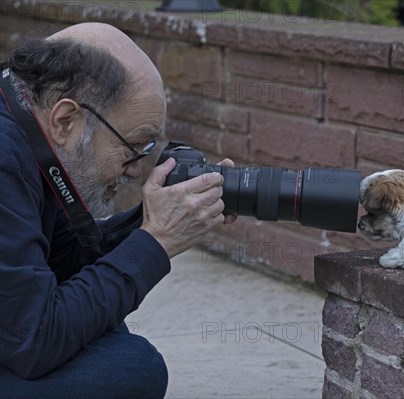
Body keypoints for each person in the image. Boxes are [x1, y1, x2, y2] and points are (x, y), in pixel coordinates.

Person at [0, 22, 235, 398]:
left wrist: (158, 221)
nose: (135, 169)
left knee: (107, 334)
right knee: (131, 369)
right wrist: (155, 241)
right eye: (133, 146)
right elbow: (33, 340)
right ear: (66, 120)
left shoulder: (29, 130)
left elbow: (63, 264)